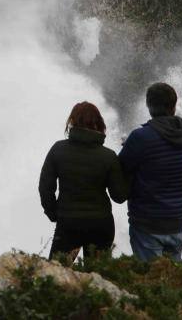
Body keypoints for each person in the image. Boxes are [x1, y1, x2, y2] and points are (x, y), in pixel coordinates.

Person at [39, 102, 127, 263]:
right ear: (99, 124)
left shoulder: (58, 149)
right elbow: (119, 196)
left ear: (72, 121)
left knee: (57, 275)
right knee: (97, 279)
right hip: (100, 225)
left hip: (68, 224)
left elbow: (45, 188)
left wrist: (54, 214)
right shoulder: (108, 156)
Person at [119, 83, 182, 262]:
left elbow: (122, 167)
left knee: (150, 281)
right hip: (176, 220)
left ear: (149, 106)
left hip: (147, 222)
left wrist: (128, 146)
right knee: (174, 281)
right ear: (174, 106)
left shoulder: (140, 137)